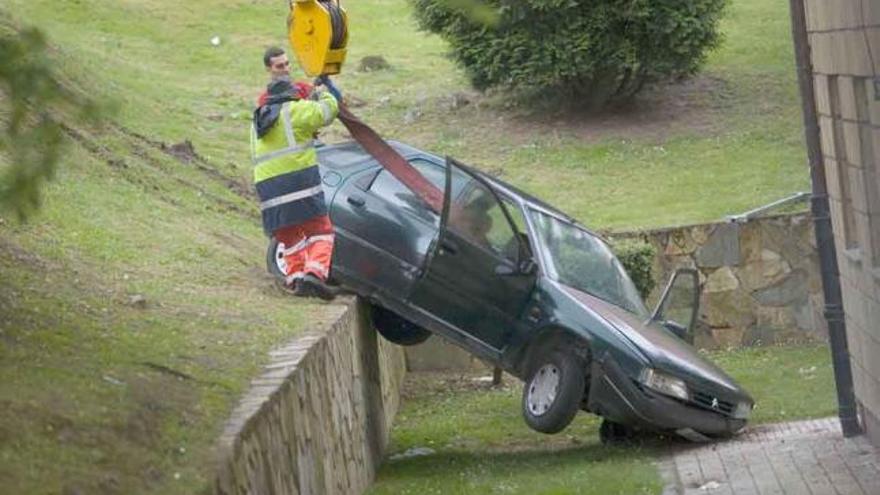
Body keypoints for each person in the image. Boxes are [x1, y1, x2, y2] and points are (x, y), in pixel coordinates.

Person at [251, 76, 339, 299]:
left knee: (290, 239)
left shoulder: (256, 123)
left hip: (268, 191)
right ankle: (315, 274)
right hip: (298, 184)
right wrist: (321, 92)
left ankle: (296, 280)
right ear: (291, 94)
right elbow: (328, 111)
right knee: (321, 231)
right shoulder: (296, 110)